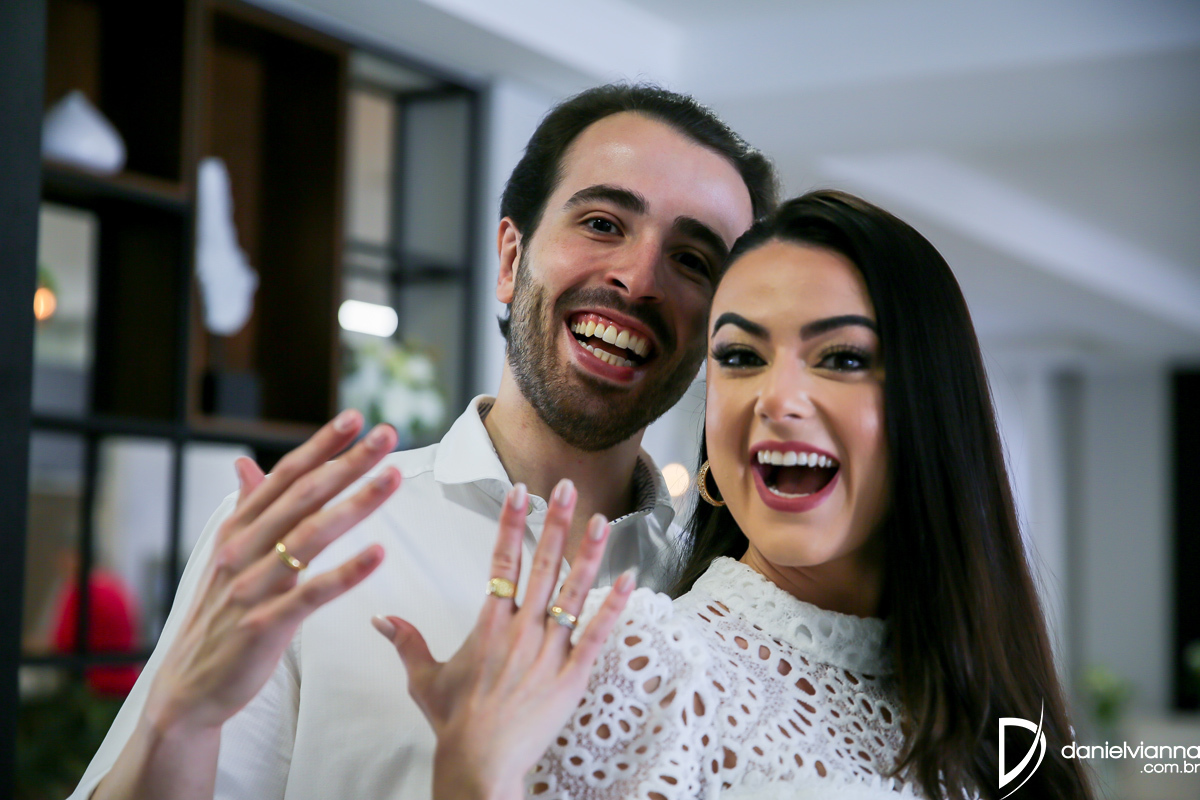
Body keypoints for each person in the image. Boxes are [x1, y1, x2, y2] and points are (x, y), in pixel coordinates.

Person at [69, 84, 778, 800]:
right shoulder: (309, 543)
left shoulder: (725, 597)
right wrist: (177, 726)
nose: (639, 278)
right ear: (511, 259)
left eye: (693, 260)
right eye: (602, 223)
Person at [376, 191, 1097, 799]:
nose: (776, 400)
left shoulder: (986, 706)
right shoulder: (643, 665)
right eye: (741, 357)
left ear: (934, 410)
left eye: (841, 358)